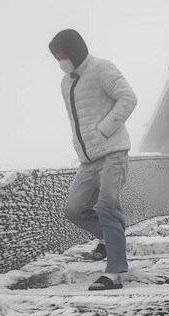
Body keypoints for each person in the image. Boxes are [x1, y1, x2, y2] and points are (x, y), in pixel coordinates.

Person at [49, 29, 137, 291]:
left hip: (113, 151)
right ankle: (109, 237)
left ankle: (114, 273)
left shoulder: (101, 68)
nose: (60, 62)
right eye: (56, 58)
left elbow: (128, 98)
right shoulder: (66, 83)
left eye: (62, 55)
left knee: (107, 207)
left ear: (75, 50)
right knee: (74, 210)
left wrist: (104, 129)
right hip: (88, 160)